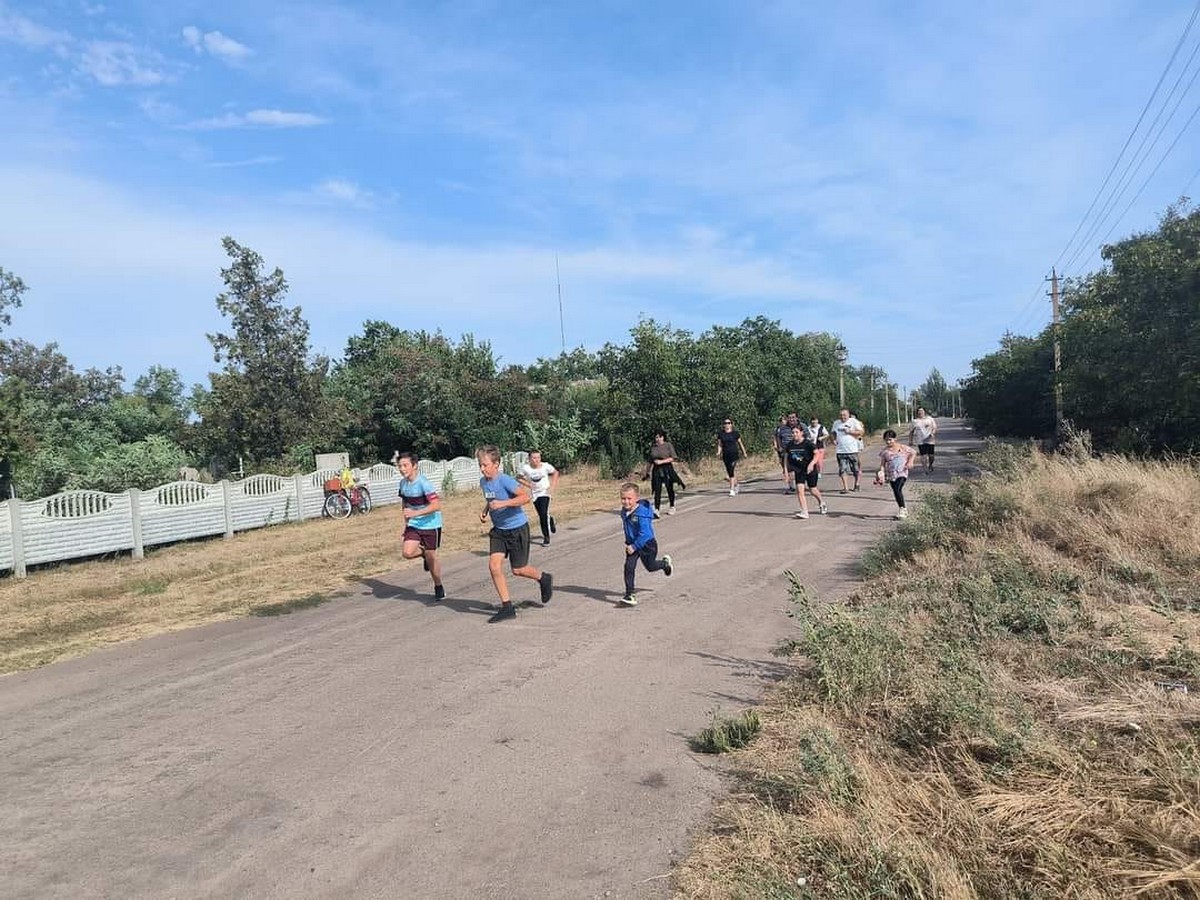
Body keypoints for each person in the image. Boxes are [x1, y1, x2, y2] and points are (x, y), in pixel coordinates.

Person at [477, 445, 554, 622]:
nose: (482, 468)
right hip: (499, 531)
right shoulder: (484, 482)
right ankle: (507, 607)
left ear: (496, 464)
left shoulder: (505, 480)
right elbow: (491, 499)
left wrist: (503, 504)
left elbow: (525, 497)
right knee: (494, 566)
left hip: (517, 529)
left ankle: (543, 578)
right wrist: (486, 510)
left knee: (518, 569)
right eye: (480, 465)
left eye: (485, 465)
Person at [396, 452, 445, 600]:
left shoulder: (424, 483)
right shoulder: (403, 484)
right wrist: (406, 521)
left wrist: (415, 514)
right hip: (414, 524)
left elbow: (437, 505)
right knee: (407, 553)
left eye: (405, 465)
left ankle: (438, 586)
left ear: (414, 466)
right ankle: (423, 552)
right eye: (400, 466)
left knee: (432, 556)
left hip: (431, 524)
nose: (402, 469)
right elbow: (405, 503)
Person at [618, 482, 673, 606]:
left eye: (629, 499)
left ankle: (664, 564)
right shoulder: (624, 511)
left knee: (651, 567)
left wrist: (634, 546)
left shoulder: (641, 514)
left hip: (647, 544)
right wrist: (630, 543)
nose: (626, 502)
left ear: (636, 499)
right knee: (629, 567)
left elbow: (646, 534)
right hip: (632, 544)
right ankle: (629, 594)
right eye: (623, 499)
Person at [783, 425, 827, 519]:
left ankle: (821, 502)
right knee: (799, 490)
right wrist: (786, 472)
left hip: (810, 470)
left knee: (812, 489)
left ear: (801, 433)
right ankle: (804, 511)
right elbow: (786, 459)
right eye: (793, 432)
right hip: (799, 470)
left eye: (796, 432)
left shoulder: (808, 443)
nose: (794, 434)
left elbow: (817, 454)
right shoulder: (790, 445)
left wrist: (812, 464)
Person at [518, 450, 559, 545]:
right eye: (534, 458)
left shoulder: (545, 466)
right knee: (541, 514)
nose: (537, 460)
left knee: (543, 514)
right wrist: (528, 485)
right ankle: (551, 519)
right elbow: (518, 478)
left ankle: (546, 537)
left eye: (538, 458)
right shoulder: (526, 468)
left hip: (545, 492)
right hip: (535, 494)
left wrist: (552, 487)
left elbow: (556, 473)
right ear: (529, 459)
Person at [878, 430, 918, 519]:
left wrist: (910, 462)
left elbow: (913, 452)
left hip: (902, 472)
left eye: (890, 439)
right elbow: (882, 464)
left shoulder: (902, 447)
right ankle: (902, 509)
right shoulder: (884, 452)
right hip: (891, 474)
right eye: (886, 440)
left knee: (897, 489)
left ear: (895, 439)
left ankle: (902, 509)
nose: (888, 442)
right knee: (896, 491)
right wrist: (881, 473)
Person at [648, 431, 683, 516]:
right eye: (656, 437)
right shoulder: (653, 447)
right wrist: (646, 472)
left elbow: (673, 458)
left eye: (659, 437)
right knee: (657, 489)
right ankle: (657, 509)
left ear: (662, 437)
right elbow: (649, 461)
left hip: (667, 469)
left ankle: (672, 506)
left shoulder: (668, 445)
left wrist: (661, 461)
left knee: (669, 488)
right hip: (656, 470)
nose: (657, 439)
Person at [831, 408, 865, 493]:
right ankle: (845, 488)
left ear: (848, 415)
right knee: (843, 469)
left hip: (852, 450)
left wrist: (850, 431)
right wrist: (834, 439)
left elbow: (861, 432)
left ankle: (857, 484)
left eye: (844, 415)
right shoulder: (836, 423)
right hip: (840, 450)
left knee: (855, 469)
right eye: (841, 415)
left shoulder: (853, 422)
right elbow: (833, 433)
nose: (843, 417)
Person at [715, 418, 748, 496]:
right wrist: (718, 452)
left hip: (734, 454)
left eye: (728, 423)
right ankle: (736, 484)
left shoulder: (735, 433)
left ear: (731, 424)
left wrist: (744, 452)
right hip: (726, 455)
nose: (727, 424)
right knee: (729, 474)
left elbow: (740, 443)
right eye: (725, 423)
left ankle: (732, 490)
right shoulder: (721, 434)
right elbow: (720, 444)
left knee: (731, 471)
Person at [909, 407, 938, 474]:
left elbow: (935, 427)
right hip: (920, 441)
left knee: (931, 456)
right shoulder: (915, 421)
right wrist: (910, 441)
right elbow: (911, 432)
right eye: (919, 411)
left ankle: (930, 465)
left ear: (924, 412)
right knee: (923, 456)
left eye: (922, 411)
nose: (920, 412)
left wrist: (932, 433)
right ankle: (925, 470)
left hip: (930, 440)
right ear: (917, 413)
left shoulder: (930, 419)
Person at [773, 415, 795, 494]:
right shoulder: (778, 429)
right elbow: (776, 437)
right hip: (783, 450)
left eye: (784, 420)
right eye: (781, 421)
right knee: (787, 468)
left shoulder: (792, 428)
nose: (782, 422)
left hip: (794, 450)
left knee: (796, 467)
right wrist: (777, 446)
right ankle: (791, 485)